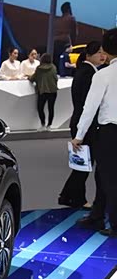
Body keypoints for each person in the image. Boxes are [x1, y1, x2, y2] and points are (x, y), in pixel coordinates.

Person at [72, 28, 117, 237]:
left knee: (109, 178)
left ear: (106, 49)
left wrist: (79, 135)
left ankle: (113, 224)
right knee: (105, 177)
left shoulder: (103, 75)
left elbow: (89, 108)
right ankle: (98, 215)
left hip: (110, 133)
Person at [60, 41, 106, 212]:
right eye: (98, 52)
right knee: (84, 163)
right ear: (89, 55)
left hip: (82, 123)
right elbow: (89, 105)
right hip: (85, 124)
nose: (102, 56)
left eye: (103, 52)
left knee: (83, 163)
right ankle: (75, 198)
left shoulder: (86, 71)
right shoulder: (88, 74)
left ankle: (69, 196)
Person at [30, 53, 59, 131]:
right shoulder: (53, 67)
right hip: (53, 90)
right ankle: (49, 125)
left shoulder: (39, 69)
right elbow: (56, 78)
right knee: (51, 108)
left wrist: (29, 77)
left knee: (40, 108)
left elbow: (33, 78)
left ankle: (43, 124)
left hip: (42, 91)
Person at [54, 2, 78, 71]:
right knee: (65, 60)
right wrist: (72, 44)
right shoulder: (71, 18)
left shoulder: (58, 20)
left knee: (57, 60)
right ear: (69, 9)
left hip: (56, 42)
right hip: (65, 42)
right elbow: (74, 33)